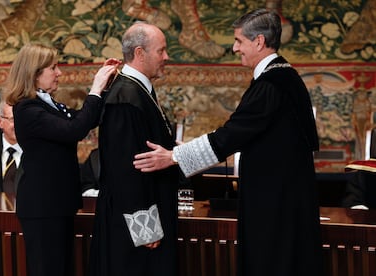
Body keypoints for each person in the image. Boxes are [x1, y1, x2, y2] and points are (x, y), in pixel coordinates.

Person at [133, 9, 323, 276]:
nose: (234, 49)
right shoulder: (283, 77)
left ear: (258, 41)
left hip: (275, 206)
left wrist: (174, 156)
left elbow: (230, 136)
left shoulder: (272, 84)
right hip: (282, 198)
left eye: (239, 41)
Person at [4, 43, 120, 276]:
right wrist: (95, 88)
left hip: (56, 203)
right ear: (34, 74)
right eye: (53, 68)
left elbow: (86, 119)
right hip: (42, 206)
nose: (59, 73)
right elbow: (74, 130)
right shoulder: (27, 109)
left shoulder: (48, 103)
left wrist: (105, 86)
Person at [89, 22, 180, 276]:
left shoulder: (137, 90)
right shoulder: (124, 98)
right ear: (140, 53)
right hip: (134, 229)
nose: (166, 57)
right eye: (161, 51)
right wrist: (145, 228)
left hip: (152, 209)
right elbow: (125, 168)